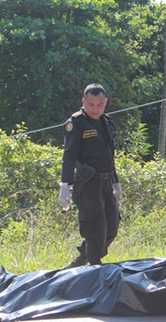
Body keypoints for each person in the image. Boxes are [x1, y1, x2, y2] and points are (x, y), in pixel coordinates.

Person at [58, 83, 121, 267]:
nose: (95, 109)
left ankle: (81, 260)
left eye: (100, 104)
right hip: (88, 184)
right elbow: (68, 156)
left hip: (106, 181)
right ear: (83, 102)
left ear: (106, 103)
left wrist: (116, 183)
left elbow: (109, 155)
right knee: (96, 228)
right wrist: (65, 184)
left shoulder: (106, 122)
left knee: (112, 226)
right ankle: (94, 267)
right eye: (91, 104)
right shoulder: (76, 123)